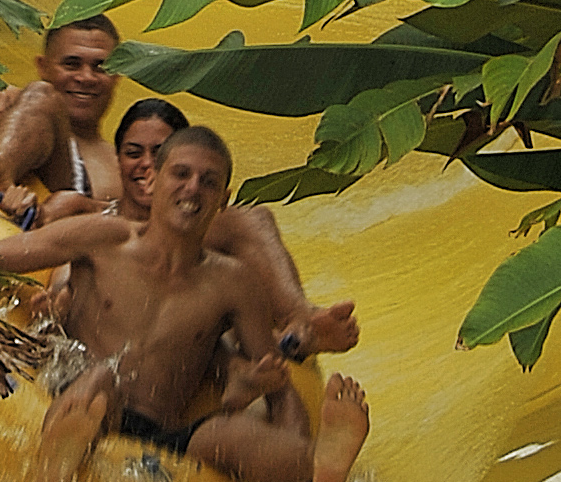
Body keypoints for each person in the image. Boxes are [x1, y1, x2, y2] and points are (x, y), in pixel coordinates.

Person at [0, 126, 370, 482]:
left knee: (226, 435)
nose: (193, 189)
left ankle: (317, 463)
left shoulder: (233, 282)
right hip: (77, 393)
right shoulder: (105, 238)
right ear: (153, 181)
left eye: (209, 182)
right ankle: (58, 461)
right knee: (104, 380)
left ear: (223, 199)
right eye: (181, 174)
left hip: (163, 433)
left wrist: (288, 434)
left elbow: (279, 389)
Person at [43, 97, 359, 359]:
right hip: (106, 345)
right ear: (117, 158)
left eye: (159, 154)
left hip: (186, 341)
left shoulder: (212, 230)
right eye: (133, 153)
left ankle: (301, 318)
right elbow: (62, 260)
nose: (146, 165)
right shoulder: (92, 217)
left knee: (251, 219)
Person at [0, 15, 122, 215]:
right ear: (42, 66)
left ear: (118, 74)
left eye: (100, 67)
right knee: (39, 95)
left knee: (41, 95)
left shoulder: (126, 161)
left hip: (64, 228)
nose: (86, 77)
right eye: (71, 64)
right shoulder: (12, 107)